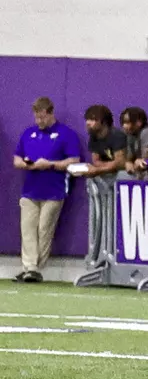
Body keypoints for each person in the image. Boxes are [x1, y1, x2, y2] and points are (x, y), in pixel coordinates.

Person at [13, 98, 80, 282]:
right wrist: (27, 164)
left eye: (42, 117)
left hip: (54, 190)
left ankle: (34, 266)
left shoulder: (66, 134)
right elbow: (17, 159)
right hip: (30, 189)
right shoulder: (28, 133)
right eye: (36, 118)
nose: (39, 122)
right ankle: (30, 267)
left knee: (44, 230)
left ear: (50, 113)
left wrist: (50, 164)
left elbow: (74, 160)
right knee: (27, 229)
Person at [83, 105, 125, 177]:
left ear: (104, 122)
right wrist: (108, 166)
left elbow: (120, 164)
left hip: (122, 173)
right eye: (87, 119)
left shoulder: (117, 135)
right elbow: (96, 162)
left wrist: (98, 169)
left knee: (122, 174)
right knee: (91, 176)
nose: (87, 123)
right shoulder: (93, 137)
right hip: (107, 172)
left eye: (92, 119)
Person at [116, 106, 148, 172]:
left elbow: (144, 160)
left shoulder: (146, 132)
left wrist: (138, 162)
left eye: (127, 122)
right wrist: (128, 162)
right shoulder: (129, 135)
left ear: (139, 122)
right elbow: (127, 158)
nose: (124, 126)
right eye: (123, 122)